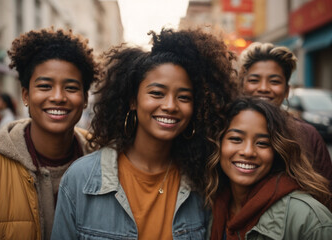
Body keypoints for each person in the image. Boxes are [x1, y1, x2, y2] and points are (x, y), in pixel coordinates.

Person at [51, 28, 237, 239]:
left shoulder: (205, 183)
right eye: (157, 93)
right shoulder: (80, 179)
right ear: (133, 100)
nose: (170, 106)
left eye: (184, 97)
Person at [0, 27, 99, 240]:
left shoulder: (108, 164)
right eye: (45, 86)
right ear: (25, 95)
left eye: (70, 87)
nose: (58, 97)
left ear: (85, 99)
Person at [205, 97, 332, 240]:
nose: (248, 151)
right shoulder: (211, 206)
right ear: (218, 144)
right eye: (236, 139)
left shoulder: (309, 220)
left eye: (262, 143)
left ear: (277, 151)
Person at [238, 42, 332, 189]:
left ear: (287, 90)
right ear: (242, 85)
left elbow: (326, 193)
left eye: (274, 81)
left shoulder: (308, 136)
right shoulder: (224, 127)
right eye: (254, 80)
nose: (263, 88)